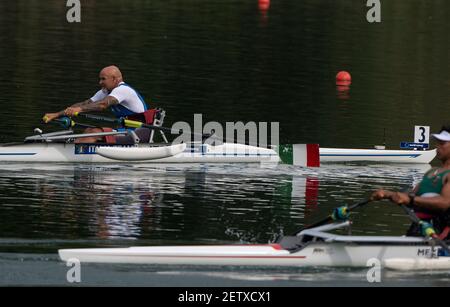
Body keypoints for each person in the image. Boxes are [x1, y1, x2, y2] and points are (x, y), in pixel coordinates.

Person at [371, 125, 450, 239]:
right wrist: (387, 194)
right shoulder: (432, 172)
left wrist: (411, 199)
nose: (437, 147)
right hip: (420, 229)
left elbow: (444, 203)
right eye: (437, 143)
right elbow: (410, 197)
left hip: (442, 234)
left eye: (442, 143)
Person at [43, 65, 148, 143]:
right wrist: (56, 114)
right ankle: (75, 151)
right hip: (126, 131)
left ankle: (74, 154)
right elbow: (86, 103)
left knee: (94, 133)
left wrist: (79, 110)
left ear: (114, 79)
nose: (100, 82)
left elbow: (103, 104)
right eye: (100, 79)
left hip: (139, 132)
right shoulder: (105, 91)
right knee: (89, 130)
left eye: (103, 79)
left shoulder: (123, 90)